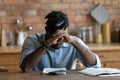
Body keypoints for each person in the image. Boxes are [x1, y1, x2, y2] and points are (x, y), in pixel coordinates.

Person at [19, 11, 101, 72]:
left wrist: (74, 42)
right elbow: (25, 68)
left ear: (67, 30)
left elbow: (95, 64)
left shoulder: (73, 41)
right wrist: (47, 44)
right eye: (55, 34)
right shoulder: (33, 40)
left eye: (62, 34)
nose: (59, 39)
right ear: (46, 30)